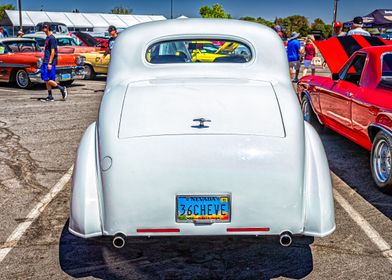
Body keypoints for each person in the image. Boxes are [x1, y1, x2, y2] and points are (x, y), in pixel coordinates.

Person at [40, 23, 67, 102]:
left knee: (47, 79)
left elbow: (53, 52)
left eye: (45, 27)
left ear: (49, 28)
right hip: (46, 61)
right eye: (43, 27)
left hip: (49, 62)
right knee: (46, 79)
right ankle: (50, 96)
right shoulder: (47, 38)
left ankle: (62, 88)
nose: (43, 28)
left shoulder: (52, 38)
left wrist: (50, 63)